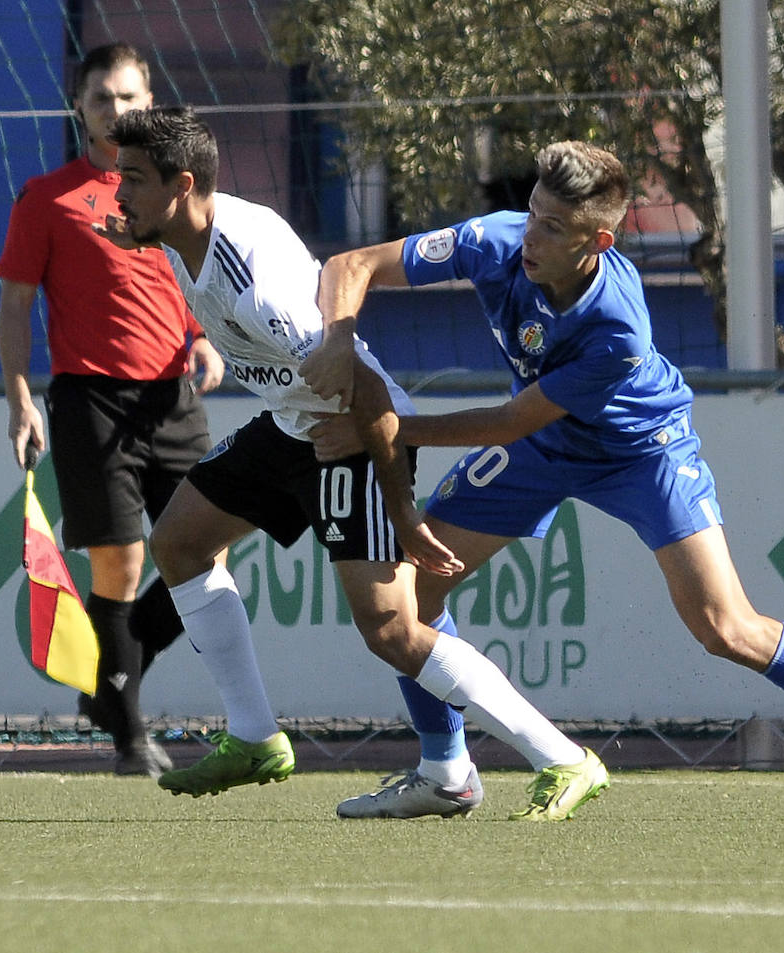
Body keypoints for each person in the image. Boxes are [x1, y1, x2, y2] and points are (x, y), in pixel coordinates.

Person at [302, 140, 784, 821]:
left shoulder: (615, 326)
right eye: (532, 213)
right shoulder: (493, 241)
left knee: (725, 627)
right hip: (547, 444)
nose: (529, 239)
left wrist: (381, 426)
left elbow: (512, 419)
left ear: (597, 241)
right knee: (411, 596)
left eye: (552, 227)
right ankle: (446, 772)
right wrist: (338, 340)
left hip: (642, 452)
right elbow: (350, 263)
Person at [94, 105, 610, 819]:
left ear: (183, 186)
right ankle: (254, 736)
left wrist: (399, 505)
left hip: (355, 434)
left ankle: (562, 756)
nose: (117, 195)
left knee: (394, 631)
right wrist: (142, 233)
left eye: (133, 182)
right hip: (292, 423)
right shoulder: (186, 227)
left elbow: (364, 387)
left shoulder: (260, 288)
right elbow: (188, 248)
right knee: (180, 541)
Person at [0, 44, 225, 776]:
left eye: (128, 97)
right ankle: (130, 740)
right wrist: (19, 395)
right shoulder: (48, 198)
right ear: (81, 107)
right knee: (119, 567)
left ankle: (110, 676)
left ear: (149, 101)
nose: (116, 110)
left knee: (210, 548)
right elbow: (15, 301)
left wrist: (204, 339)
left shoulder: (172, 194)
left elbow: (192, 280)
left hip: (174, 397)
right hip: (90, 400)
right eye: (102, 98)